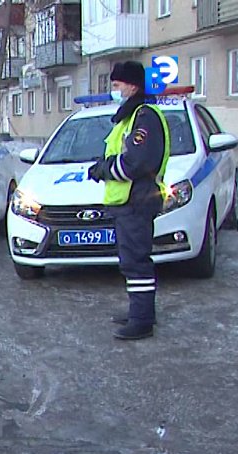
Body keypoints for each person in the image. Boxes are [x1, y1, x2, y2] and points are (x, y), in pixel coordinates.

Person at [87, 60, 170, 340]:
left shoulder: (144, 116)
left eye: (118, 84)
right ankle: (139, 311)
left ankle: (142, 319)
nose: (115, 89)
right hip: (128, 202)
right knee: (131, 260)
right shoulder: (131, 116)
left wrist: (103, 169)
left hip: (136, 200)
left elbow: (137, 162)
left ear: (133, 85)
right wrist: (104, 164)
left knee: (136, 261)